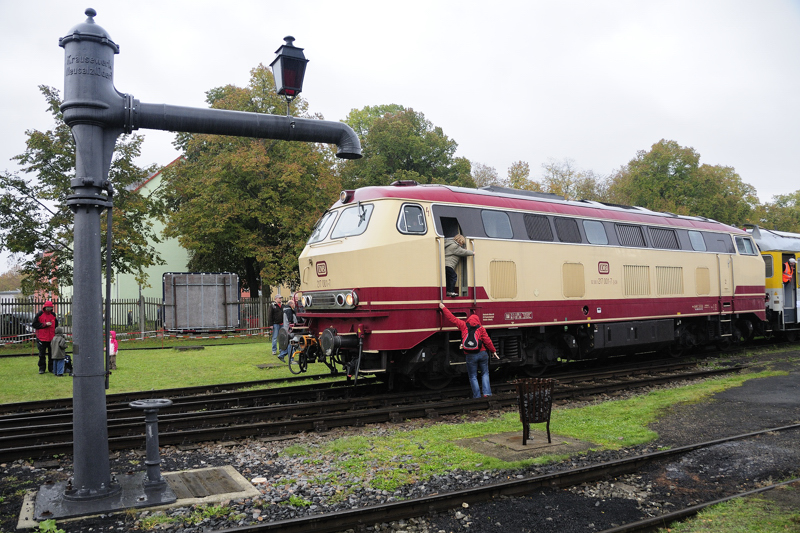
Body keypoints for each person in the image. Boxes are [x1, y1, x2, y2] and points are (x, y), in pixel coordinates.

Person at [439, 302, 499, 398]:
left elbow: (452, 318)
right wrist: (493, 351)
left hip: (470, 355)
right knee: (485, 373)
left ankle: (477, 396)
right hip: (482, 354)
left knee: (473, 376)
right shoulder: (481, 329)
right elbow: (488, 341)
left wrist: (443, 308)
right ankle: (487, 394)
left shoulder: (463, 325)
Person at [32, 301, 58, 374]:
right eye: (48, 308)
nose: (49, 309)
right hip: (42, 338)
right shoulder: (39, 314)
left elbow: (56, 325)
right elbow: (34, 324)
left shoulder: (53, 315)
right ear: (44, 307)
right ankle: (42, 369)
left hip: (51, 338)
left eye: (50, 308)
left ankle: (51, 368)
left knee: (51, 354)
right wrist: (44, 324)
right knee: (42, 354)